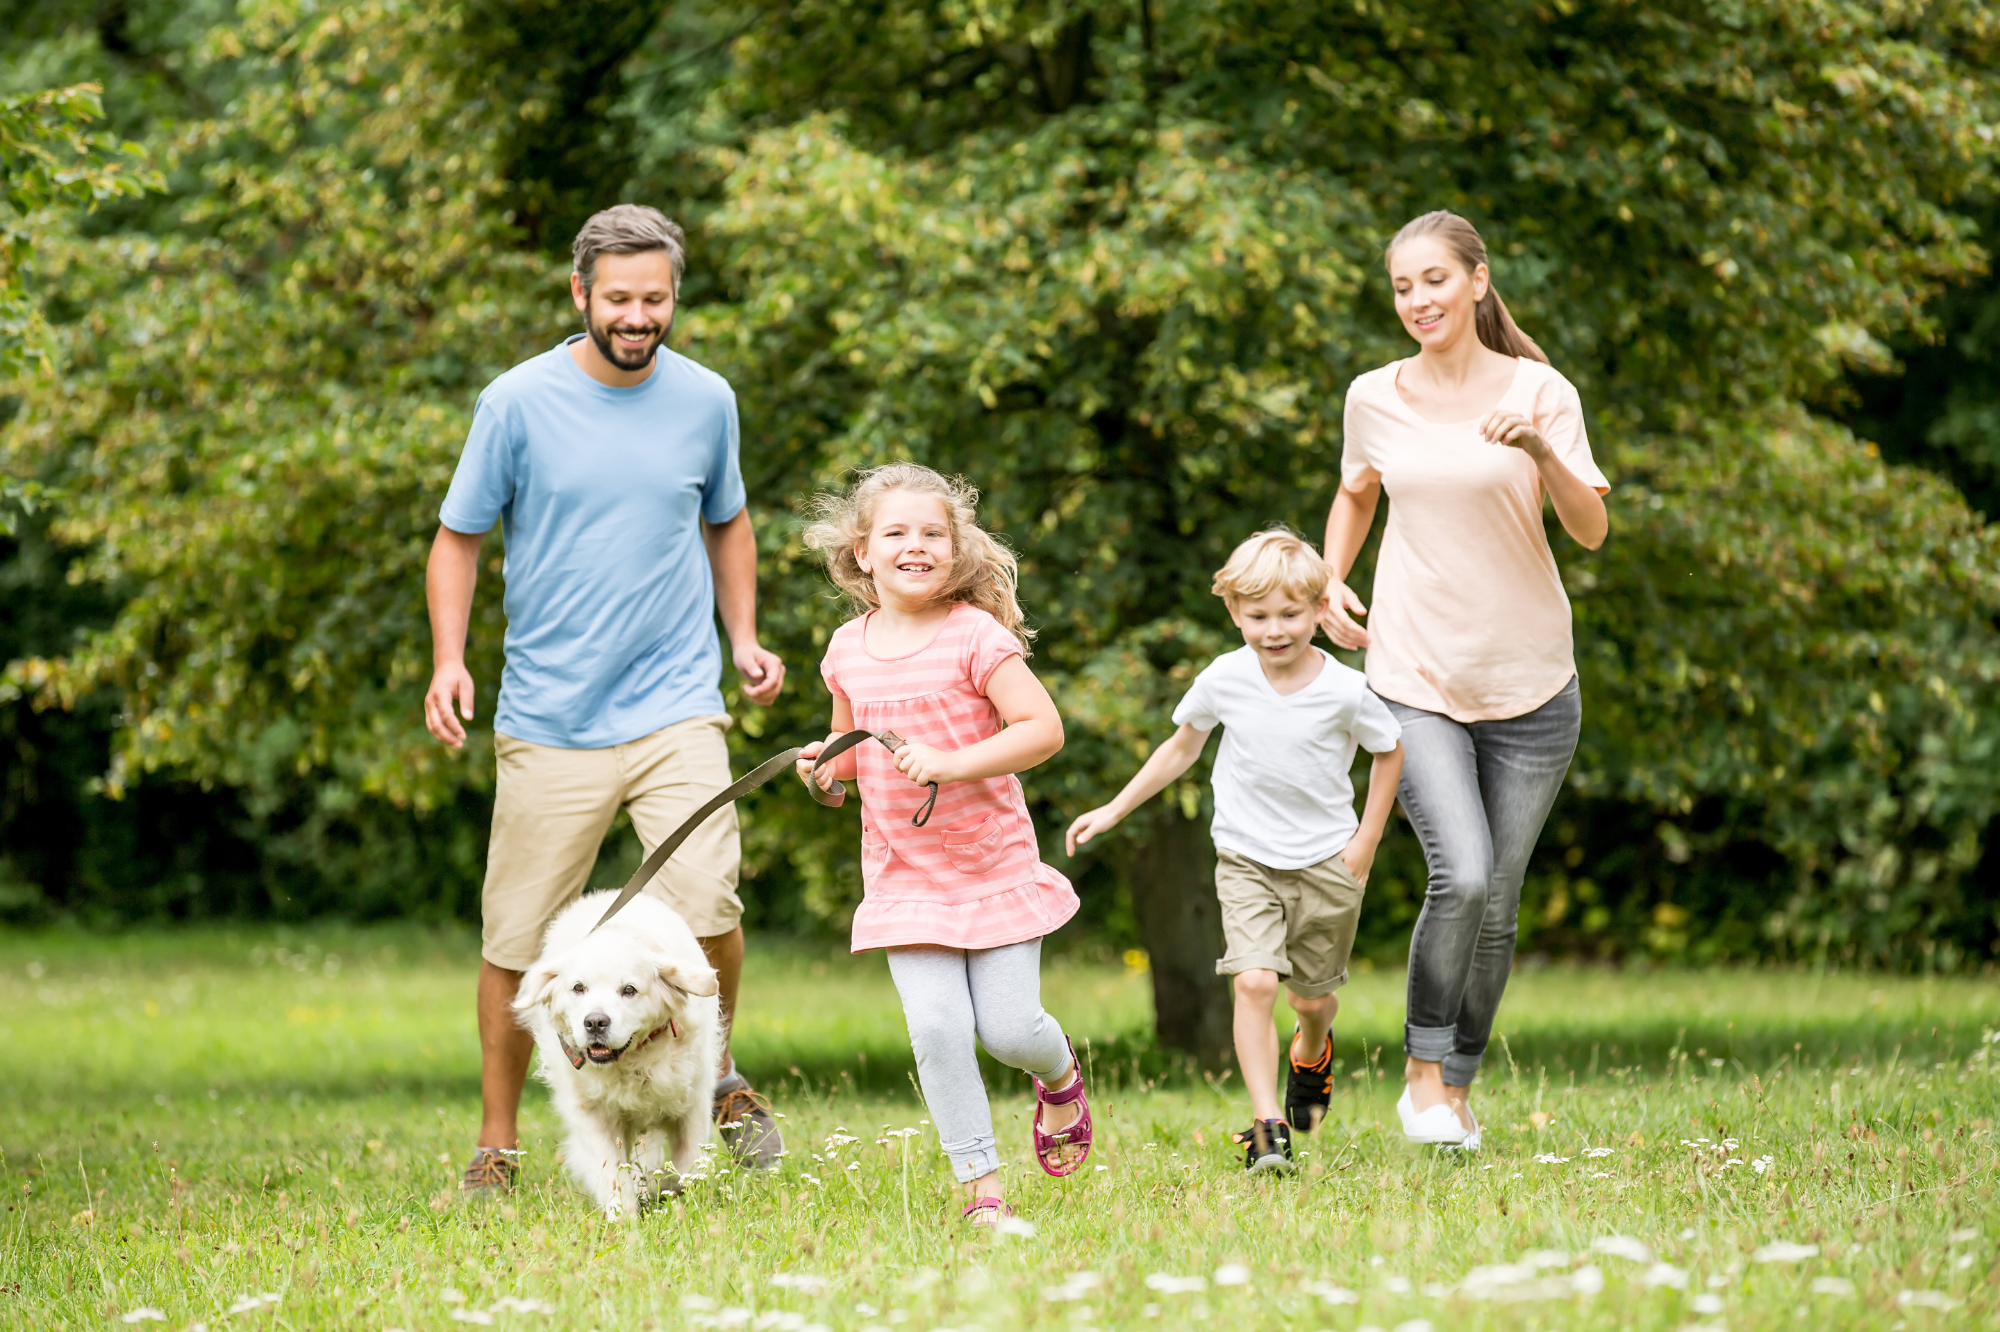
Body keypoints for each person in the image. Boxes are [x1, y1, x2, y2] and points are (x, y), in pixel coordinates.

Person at [424, 204, 789, 1198]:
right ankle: (496, 1147)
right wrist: (448, 659)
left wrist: (743, 636)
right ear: (578, 291)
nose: (639, 317)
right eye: (619, 298)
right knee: (517, 936)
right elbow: (457, 537)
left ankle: (717, 1075)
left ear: (675, 297)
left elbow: (729, 518)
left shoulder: (706, 399)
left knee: (711, 899)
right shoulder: (515, 402)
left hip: (675, 703)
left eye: (656, 299)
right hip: (549, 719)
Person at [1322, 210, 1609, 1148]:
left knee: (1502, 898)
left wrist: (1536, 448)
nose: (1418, 301)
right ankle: (1421, 1076)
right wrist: (1331, 578)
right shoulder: (1375, 395)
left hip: (1532, 681)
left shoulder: (1540, 391)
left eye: (1435, 280)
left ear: (1479, 282)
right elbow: (1356, 489)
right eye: (1403, 287)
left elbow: (1591, 530)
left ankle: (1458, 1082)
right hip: (1415, 670)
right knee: (1466, 873)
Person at [795, 463, 1091, 1225]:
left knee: (1008, 1030)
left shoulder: (974, 634)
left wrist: (954, 762)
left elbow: (1042, 730)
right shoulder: (846, 649)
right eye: (896, 533)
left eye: (933, 533)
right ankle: (980, 1194)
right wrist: (824, 773)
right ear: (863, 552)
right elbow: (848, 751)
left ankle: (1058, 1075)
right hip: (905, 877)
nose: (916, 546)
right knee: (934, 1028)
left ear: (955, 550)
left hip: (991, 866)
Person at [1065, 529, 1404, 1172]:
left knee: (1310, 998)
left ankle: (1313, 1049)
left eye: (1290, 615)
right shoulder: (1225, 677)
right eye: (1258, 617)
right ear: (1234, 613)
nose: (1275, 630)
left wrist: (1365, 840)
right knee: (1252, 982)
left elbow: (1390, 752)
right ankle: (1267, 1123)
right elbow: (1181, 748)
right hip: (1246, 856)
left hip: (1328, 862)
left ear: (1318, 609)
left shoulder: (1344, 689)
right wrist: (1113, 808)